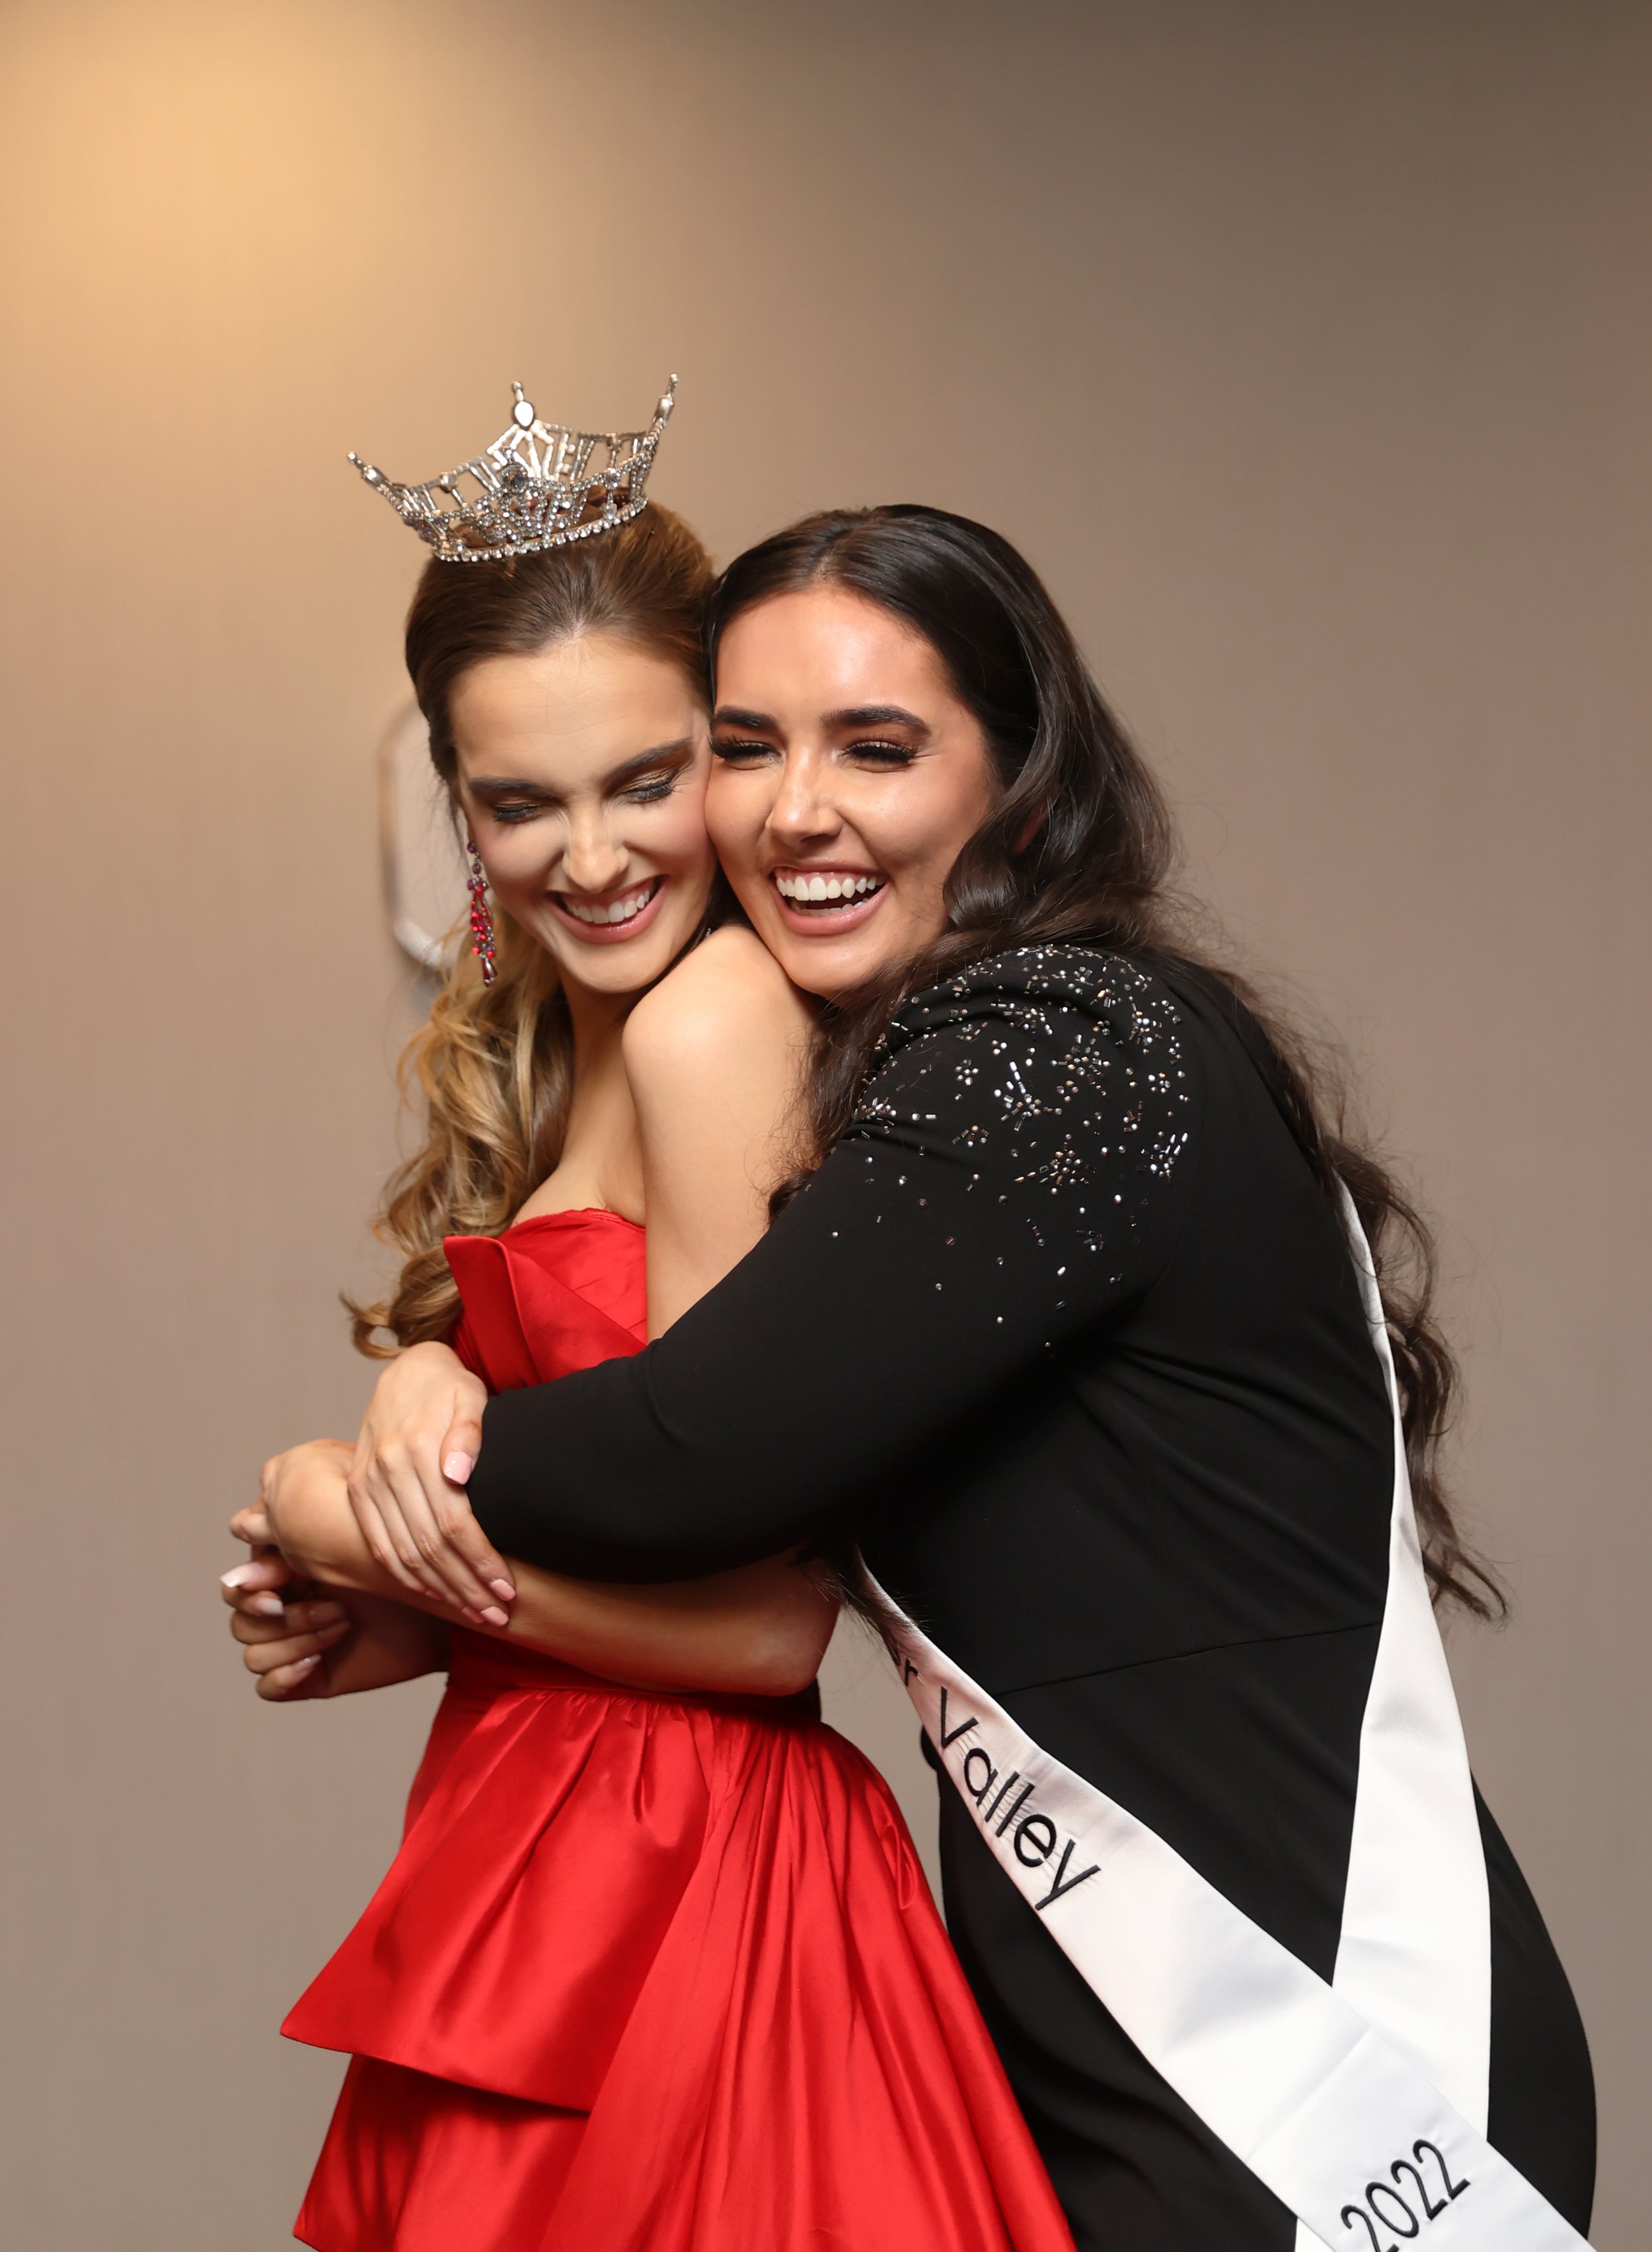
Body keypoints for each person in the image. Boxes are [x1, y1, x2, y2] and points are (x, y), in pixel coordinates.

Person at [315, 504, 1598, 2252]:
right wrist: (440, 1372)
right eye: (750, 749)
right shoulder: (921, 1071)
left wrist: (343, 1497)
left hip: (1324, 2040)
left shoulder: (1052, 1054)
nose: (794, 811)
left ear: (1017, 777)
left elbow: (697, 1454)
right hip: (1101, 2017)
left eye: (878, 747)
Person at [223, 396, 1077, 2252]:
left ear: (727, 752)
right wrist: (428, 1450)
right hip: (552, 1832)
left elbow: (769, 1626)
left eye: (645, 779)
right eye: (518, 802)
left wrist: (334, 1511)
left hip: (690, 1885)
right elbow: (602, 1460)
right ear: (453, 801)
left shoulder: (712, 1027)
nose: (590, 858)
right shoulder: (576, 1046)